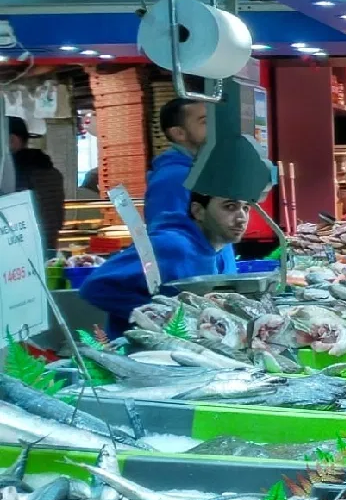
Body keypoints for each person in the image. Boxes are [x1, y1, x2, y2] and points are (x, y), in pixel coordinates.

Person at [80, 193, 245, 338]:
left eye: (246, 208)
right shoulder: (170, 245)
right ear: (198, 211)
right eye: (230, 207)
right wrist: (158, 314)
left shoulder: (225, 250)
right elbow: (95, 286)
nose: (241, 218)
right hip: (141, 361)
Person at [7, 117, 65, 258]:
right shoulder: (52, 172)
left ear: (12, 140)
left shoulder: (13, 175)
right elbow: (58, 218)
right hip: (48, 250)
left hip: (21, 256)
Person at [145, 98, 207, 225]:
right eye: (205, 122)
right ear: (179, 133)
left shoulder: (197, 171)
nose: (216, 128)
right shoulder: (175, 178)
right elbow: (169, 237)